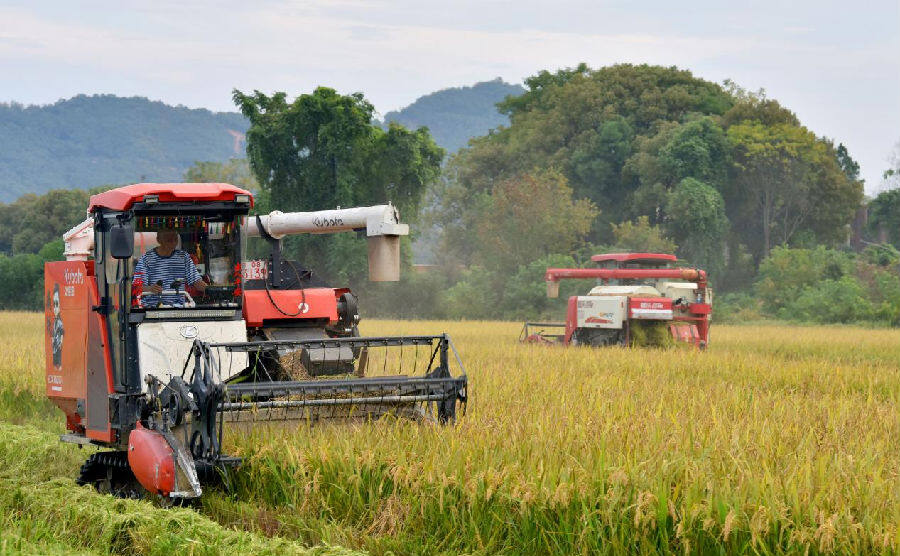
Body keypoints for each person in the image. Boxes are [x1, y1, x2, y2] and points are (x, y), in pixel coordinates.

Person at [134, 229, 208, 307]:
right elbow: (137, 287)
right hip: (152, 308)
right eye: (169, 240)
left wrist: (211, 290)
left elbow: (196, 282)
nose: (173, 243)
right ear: (159, 240)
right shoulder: (146, 258)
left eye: (175, 239)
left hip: (179, 307)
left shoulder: (184, 257)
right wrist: (150, 288)